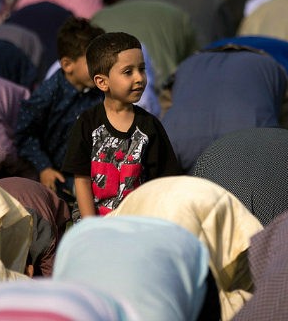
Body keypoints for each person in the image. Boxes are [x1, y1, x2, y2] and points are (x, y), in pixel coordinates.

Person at [62, 32, 181, 218]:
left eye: (142, 69)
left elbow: (162, 184)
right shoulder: (87, 123)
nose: (139, 78)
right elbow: (82, 180)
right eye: (128, 72)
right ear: (102, 82)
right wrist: (91, 226)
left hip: (138, 222)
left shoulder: (150, 126)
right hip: (94, 223)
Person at [14, 16, 105, 199]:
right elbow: (24, 133)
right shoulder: (48, 93)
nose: (100, 67)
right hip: (59, 176)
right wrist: (44, 167)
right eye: (93, 62)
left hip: (95, 170)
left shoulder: (100, 91)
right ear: (67, 65)